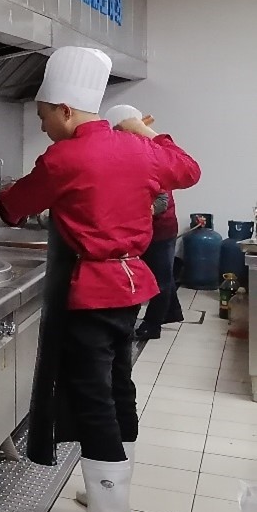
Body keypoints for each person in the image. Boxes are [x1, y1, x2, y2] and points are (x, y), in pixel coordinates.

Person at [0, 47, 200, 512]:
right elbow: (189, 168)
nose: (42, 125)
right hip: (130, 286)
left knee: (92, 396)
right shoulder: (138, 151)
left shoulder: (63, 158)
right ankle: (113, 498)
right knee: (117, 384)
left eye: (44, 115)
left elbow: (14, 207)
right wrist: (139, 130)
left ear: (65, 110)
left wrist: (4, 197)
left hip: (91, 291)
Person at [102, 108, 187, 341]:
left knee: (161, 279)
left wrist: (134, 211)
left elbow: (161, 200)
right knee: (159, 275)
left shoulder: (150, 153)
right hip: (141, 230)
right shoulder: (126, 154)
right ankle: (171, 312)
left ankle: (152, 325)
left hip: (161, 230)